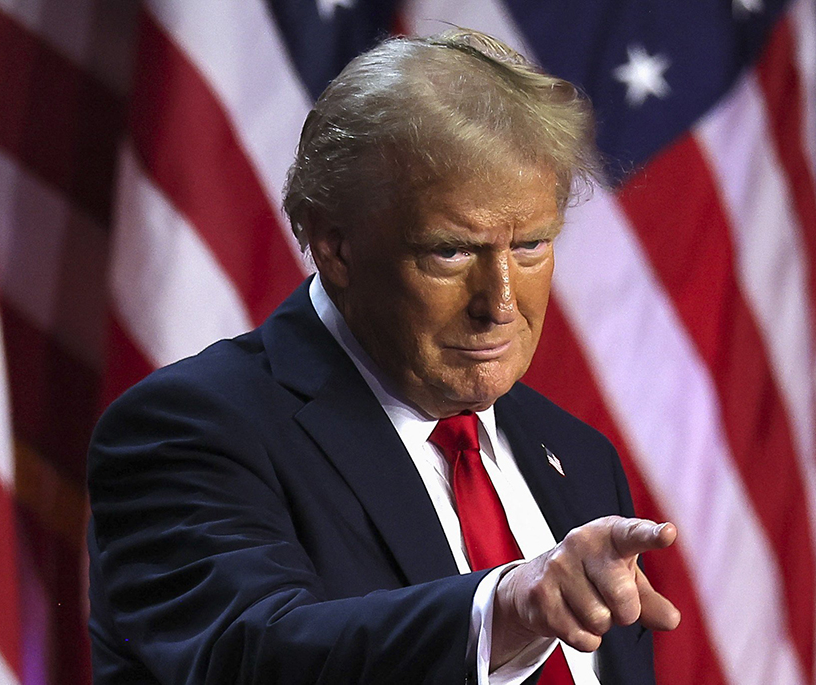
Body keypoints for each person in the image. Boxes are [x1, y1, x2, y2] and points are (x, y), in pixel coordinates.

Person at [87, 28, 680, 685]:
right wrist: (504, 607)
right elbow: (252, 656)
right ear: (334, 246)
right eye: (451, 251)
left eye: (531, 245)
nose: (501, 303)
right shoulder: (189, 428)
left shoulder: (579, 457)